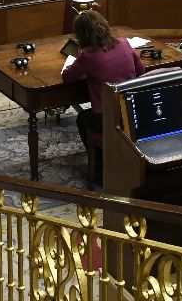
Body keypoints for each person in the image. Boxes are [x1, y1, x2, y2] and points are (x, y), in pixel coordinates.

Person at [61, 10, 146, 180]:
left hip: (108, 118)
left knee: (82, 118)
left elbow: (67, 77)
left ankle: (99, 168)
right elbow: (141, 71)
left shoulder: (87, 55)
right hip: (131, 110)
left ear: (81, 34)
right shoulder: (124, 43)